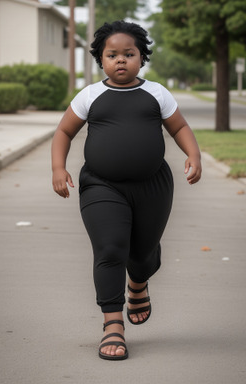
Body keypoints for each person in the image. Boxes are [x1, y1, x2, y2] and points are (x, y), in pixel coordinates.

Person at [51, 20, 202, 361]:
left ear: (141, 58)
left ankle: (138, 282)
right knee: (110, 248)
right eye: (112, 55)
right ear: (101, 60)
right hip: (101, 185)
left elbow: (179, 126)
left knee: (144, 252)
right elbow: (63, 132)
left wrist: (193, 155)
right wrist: (58, 168)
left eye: (129, 54)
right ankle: (112, 324)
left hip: (153, 186)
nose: (121, 60)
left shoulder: (157, 93)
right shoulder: (90, 95)